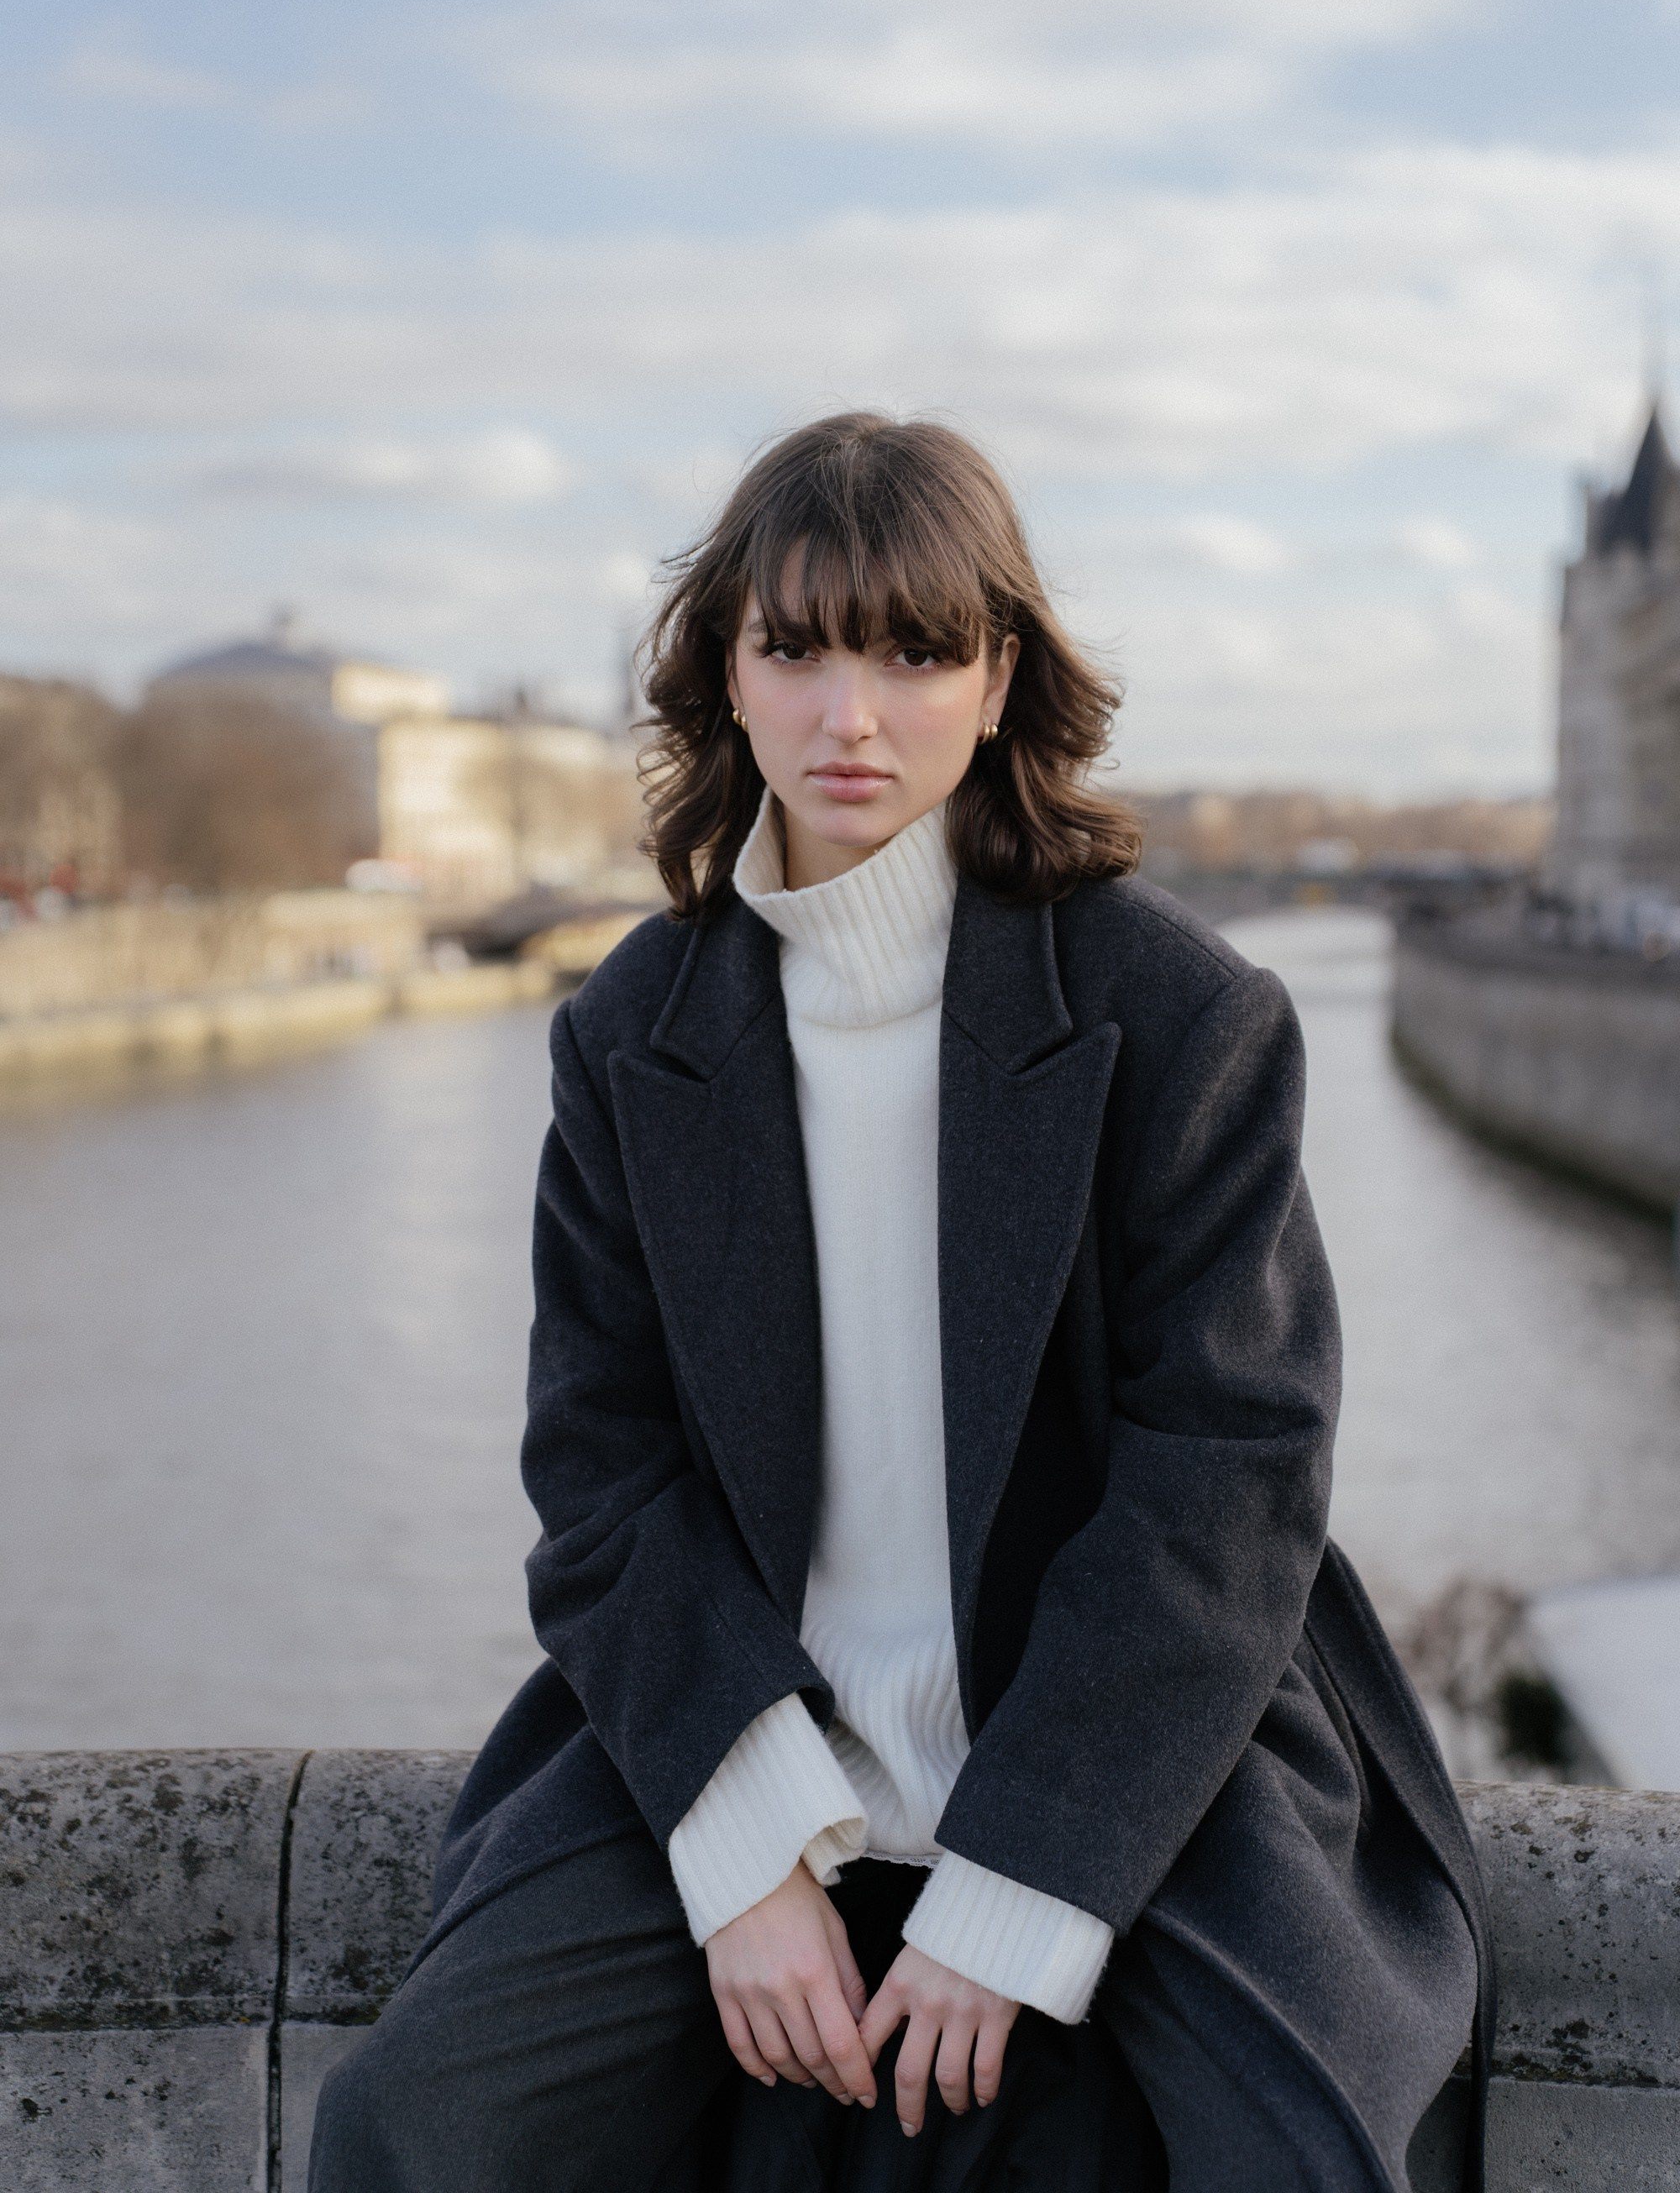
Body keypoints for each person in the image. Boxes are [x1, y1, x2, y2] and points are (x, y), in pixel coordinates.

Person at [310, 412, 1490, 2193]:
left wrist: (1018, 1887)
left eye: (913, 652)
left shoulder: (1179, 1013)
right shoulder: (631, 1033)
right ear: (726, 668)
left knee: (1292, 2156)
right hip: (740, 1720)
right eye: (796, 648)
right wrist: (747, 1853)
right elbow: (598, 1469)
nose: (848, 716)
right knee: (419, 2126)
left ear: (1002, 678)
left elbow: (1229, 1478)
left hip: (1128, 1727)